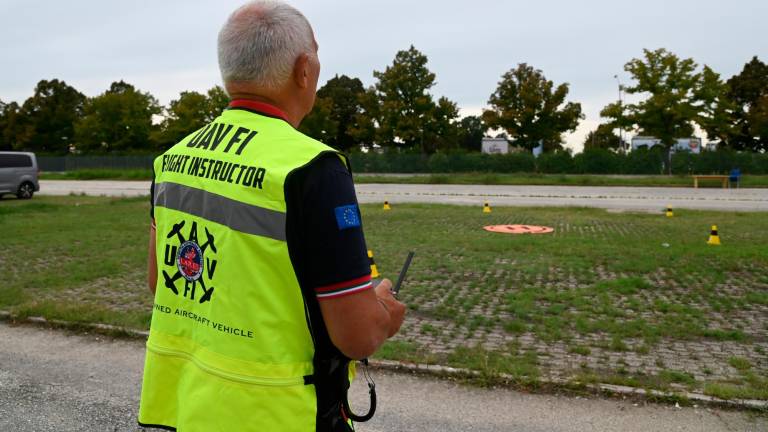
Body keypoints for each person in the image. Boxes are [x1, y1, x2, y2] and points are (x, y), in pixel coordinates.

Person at [138, 2, 406, 431]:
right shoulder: (314, 168)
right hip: (279, 414)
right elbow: (356, 335)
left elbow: (162, 283)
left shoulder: (172, 160)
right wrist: (384, 311)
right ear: (304, 69)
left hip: (187, 405)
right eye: (316, 54)